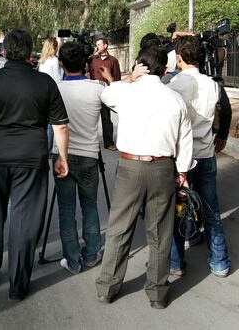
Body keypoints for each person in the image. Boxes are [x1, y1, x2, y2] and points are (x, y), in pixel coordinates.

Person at [0, 29, 70, 301]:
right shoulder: (45, 83)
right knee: (24, 219)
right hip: (31, 157)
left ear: (4, 53)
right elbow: (61, 126)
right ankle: (18, 284)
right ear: (31, 53)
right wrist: (62, 158)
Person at [95, 43, 193, 309]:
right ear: (164, 69)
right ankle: (158, 294)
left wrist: (129, 78)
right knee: (161, 232)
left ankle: (107, 288)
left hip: (130, 167)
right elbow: (185, 141)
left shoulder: (127, 92)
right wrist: (182, 171)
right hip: (164, 168)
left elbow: (106, 96)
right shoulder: (175, 99)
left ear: (140, 65)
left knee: (119, 229)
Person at [168, 35, 232, 278]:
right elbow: (223, 110)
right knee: (211, 210)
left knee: (177, 209)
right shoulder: (213, 85)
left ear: (180, 58)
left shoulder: (173, 86)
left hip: (180, 158)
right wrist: (222, 137)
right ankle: (220, 262)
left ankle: (175, 262)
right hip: (206, 154)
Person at [52, 42, 104, 274]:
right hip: (89, 156)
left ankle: (72, 260)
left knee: (66, 209)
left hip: (61, 156)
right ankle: (92, 253)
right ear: (85, 63)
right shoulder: (97, 88)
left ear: (61, 64)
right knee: (90, 205)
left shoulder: (55, 89)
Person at [88, 37, 120, 151]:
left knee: (106, 118)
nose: (97, 47)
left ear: (106, 45)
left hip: (106, 93)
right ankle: (90, 143)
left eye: (99, 44)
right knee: (90, 118)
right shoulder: (92, 60)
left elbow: (116, 78)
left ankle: (109, 143)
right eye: (96, 45)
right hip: (93, 92)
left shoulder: (113, 61)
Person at [38, 37, 62, 156]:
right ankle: (49, 150)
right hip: (52, 93)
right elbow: (57, 79)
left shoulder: (42, 60)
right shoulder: (54, 61)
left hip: (42, 91)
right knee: (52, 125)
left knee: (45, 122)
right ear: (54, 47)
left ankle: (44, 148)